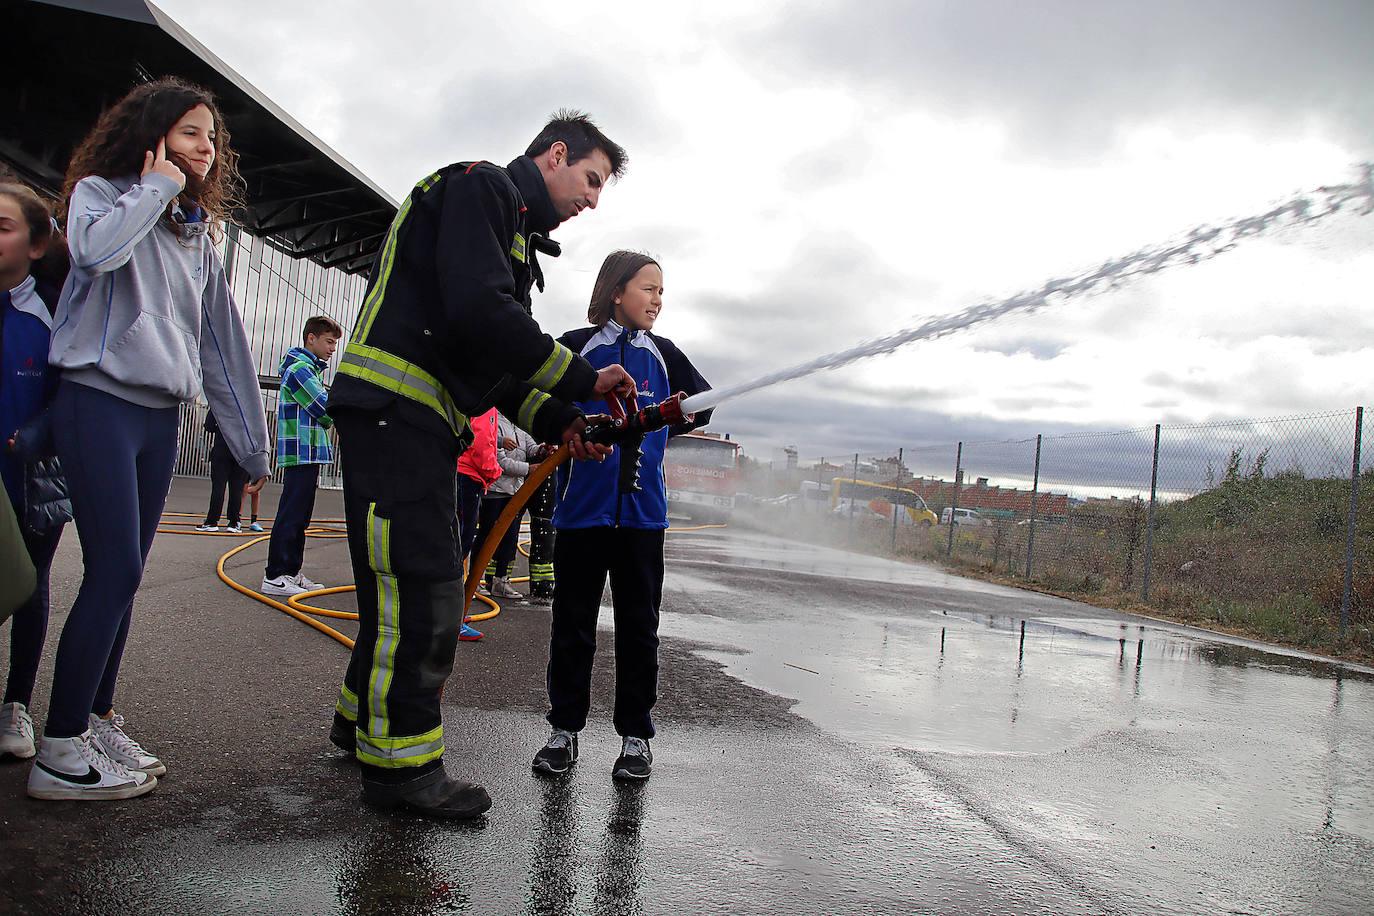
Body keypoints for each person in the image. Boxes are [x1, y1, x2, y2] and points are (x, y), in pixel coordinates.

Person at [325, 111, 635, 819]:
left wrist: (562, 420)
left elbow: (492, 360)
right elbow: (481, 317)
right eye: (590, 180)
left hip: (411, 418)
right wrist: (584, 379)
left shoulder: (507, 231)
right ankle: (403, 771)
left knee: (396, 590)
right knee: (426, 590)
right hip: (395, 412)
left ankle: (361, 727)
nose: (592, 200)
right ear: (554, 154)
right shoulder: (481, 191)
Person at [27, 78, 269, 801]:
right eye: (193, 132)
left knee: (126, 575)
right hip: (96, 400)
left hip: (159, 415)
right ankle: (58, 749)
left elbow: (222, 346)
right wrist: (154, 188)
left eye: (213, 138)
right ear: (155, 134)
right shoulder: (102, 195)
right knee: (114, 569)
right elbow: (95, 255)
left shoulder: (197, 235)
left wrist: (251, 451)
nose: (206, 148)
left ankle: (96, 719)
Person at [533, 250, 712, 782]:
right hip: (581, 516)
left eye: (662, 290)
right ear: (616, 291)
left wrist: (655, 427)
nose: (658, 299)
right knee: (572, 628)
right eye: (648, 288)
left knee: (640, 629)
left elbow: (704, 403)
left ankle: (636, 738)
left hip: (642, 519)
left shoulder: (664, 353)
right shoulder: (574, 348)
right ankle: (563, 732)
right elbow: (538, 402)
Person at [0, 182, 70, 761]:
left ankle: (15, 703)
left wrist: (37, 435)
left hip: (30, 479)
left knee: (28, 586)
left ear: (38, 242)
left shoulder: (54, 311)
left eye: (2, 227)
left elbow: (71, 391)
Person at [261, 315, 341, 596]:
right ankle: (276, 573)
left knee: (299, 515)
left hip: (308, 452)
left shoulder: (310, 371)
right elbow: (325, 410)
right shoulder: (301, 370)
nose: (333, 348)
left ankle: (290, 571)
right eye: (329, 342)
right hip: (301, 452)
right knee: (292, 514)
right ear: (311, 338)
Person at [477, 411, 540, 601]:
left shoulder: (517, 425)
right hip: (495, 491)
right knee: (487, 534)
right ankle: (476, 579)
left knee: (511, 536)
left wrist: (542, 450)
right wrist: (529, 469)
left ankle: (501, 581)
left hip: (514, 491)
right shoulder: (494, 422)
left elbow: (531, 448)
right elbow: (499, 461)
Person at [455, 406, 501, 640]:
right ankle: (451, 619)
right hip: (469, 476)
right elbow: (481, 443)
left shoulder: (481, 401)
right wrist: (494, 471)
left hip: (465, 475)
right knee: (459, 546)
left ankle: (451, 615)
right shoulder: (486, 405)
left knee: (459, 544)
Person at [197, 409, 250, 533]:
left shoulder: (219, 401)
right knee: (237, 488)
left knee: (218, 487)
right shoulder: (248, 403)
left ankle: (212, 521)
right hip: (241, 451)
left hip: (222, 448)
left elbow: (209, 426)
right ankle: (234, 522)